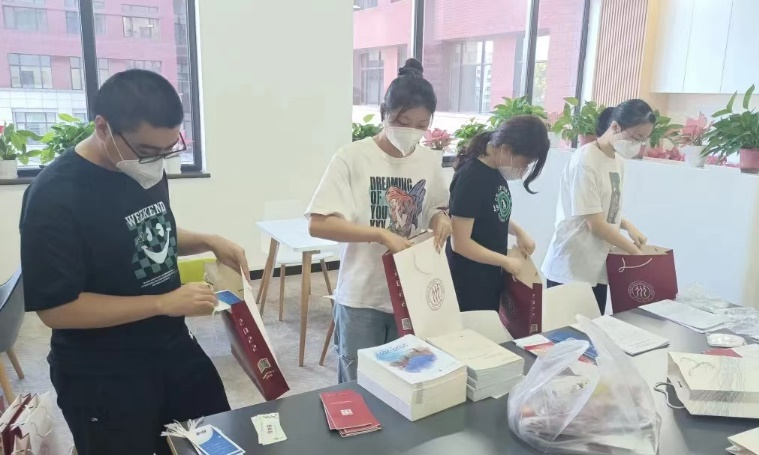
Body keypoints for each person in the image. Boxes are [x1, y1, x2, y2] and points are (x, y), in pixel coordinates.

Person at [19, 70, 249, 455]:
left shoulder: (143, 166)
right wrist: (161, 302)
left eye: (168, 149)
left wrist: (207, 240)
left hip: (173, 348)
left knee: (213, 441)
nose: (157, 161)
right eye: (147, 150)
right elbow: (56, 309)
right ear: (103, 127)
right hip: (103, 372)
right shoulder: (54, 197)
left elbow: (146, 234)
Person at [307, 58, 452, 383]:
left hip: (412, 292)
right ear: (384, 113)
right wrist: (380, 234)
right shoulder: (352, 157)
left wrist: (441, 218)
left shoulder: (428, 161)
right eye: (403, 121)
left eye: (422, 124)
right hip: (362, 297)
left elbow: (436, 207)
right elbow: (318, 223)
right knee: (358, 385)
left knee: (405, 383)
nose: (412, 131)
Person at [541, 99, 655, 314]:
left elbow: (604, 209)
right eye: (636, 137)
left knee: (594, 329)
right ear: (615, 127)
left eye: (643, 140)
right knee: (569, 332)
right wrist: (634, 252)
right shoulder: (585, 161)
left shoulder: (617, 161)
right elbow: (595, 223)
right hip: (572, 266)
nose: (638, 145)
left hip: (598, 267)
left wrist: (627, 225)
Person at [446, 116, 550, 312]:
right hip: (468, 281)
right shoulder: (471, 178)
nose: (523, 169)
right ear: (506, 149)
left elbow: (491, 213)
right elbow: (460, 243)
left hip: (490, 275)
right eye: (524, 162)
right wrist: (505, 261)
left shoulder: (495, 171)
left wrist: (519, 232)